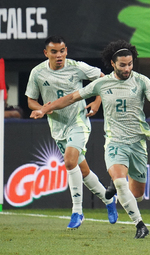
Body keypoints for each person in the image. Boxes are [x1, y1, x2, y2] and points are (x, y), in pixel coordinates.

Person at [30, 40, 150, 238]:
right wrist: (44, 109)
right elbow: (70, 98)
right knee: (120, 182)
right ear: (113, 63)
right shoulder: (102, 83)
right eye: (122, 65)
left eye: (130, 64)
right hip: (114, 141)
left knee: (136, 194)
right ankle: (140, 225)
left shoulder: (142, 81)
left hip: (137, 141)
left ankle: (112, 189)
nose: (127, 68)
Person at [25, 35, 118, 229]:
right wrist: (41, 109)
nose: (59, 55)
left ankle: (77, 211)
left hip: (78, 120)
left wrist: (97, 102)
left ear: (66, 51)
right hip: (57, 126)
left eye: (62, 51)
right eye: (54, 52)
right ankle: (109, 201)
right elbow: (31, 100)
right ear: (46, 53)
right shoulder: (38, 73)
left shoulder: (77, 67)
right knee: (83, 171)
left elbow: (104, 80)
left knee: (69, 161)